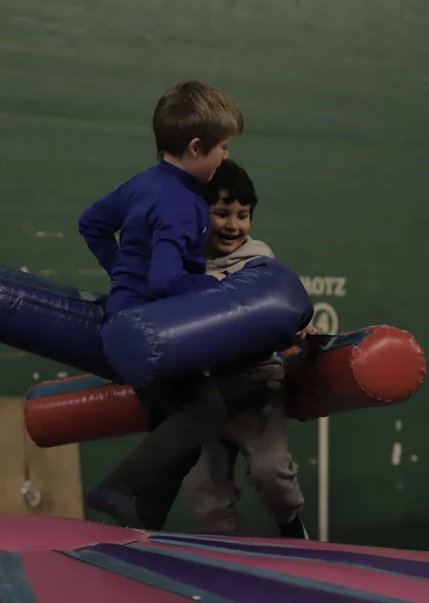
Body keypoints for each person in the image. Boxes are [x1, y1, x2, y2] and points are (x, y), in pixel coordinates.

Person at [77, 80, 243, 529]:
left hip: (128, 322)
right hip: (152, 332)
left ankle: (142, 529)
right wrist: (216, 285)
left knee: (179, 440)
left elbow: (92, 223)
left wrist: (120, 273)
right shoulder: (181, 203)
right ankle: (116, 486)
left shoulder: (143, 184)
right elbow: (166, 278)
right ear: (196, 147)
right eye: (223, 148)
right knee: (205, 411)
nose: (225, 157)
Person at [180, 160, 315, 539]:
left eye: (243, 215)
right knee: (205, 494)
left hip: (255, 388)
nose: (233, 225)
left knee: (273, 474)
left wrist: (297, 328)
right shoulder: (182, 265)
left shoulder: (258, 263)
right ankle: (224, 556)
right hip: (199, 395)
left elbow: (278, 308)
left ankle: (292, 528)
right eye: (222, 213)